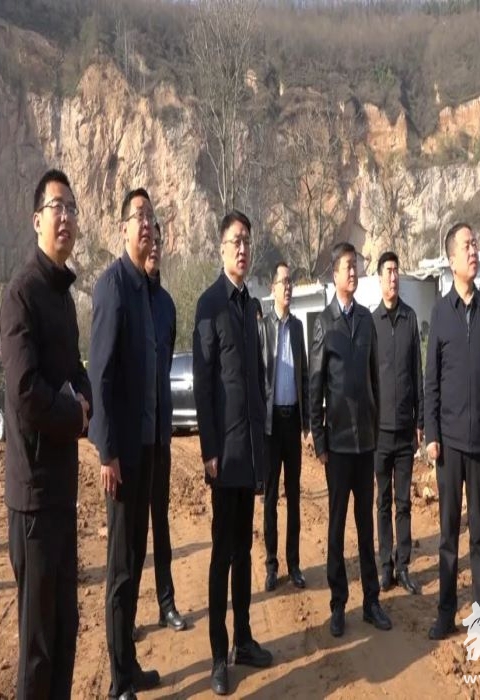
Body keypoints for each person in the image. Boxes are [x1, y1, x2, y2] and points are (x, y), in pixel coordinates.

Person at [0, 169, 92, 698]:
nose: (66, 217)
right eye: (57, 207)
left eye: (72, 208)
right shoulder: (22, 294)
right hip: (32, 497)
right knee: (37, 645)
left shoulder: (63, 298)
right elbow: (26, 392)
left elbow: (76, 371)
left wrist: (85, 400)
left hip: (62, 490)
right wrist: (75, 414)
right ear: (37, 220)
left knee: (65, 628)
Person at [193, 210, 272, 696]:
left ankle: (244, 639)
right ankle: (218, 655)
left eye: (247, 241)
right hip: (224, 453)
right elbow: (204, 385)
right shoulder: (210, 305)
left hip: (251, 451)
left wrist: (263, 446)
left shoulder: (252, 307)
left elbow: (257, 381)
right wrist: (208, 449)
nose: (242, 249)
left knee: (244, 551)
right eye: (234, 241)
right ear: (221, 248)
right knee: (222, 554)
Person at [88, 188, 161, 699]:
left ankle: (130, 665)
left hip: (149, 449)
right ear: (123, 229)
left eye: (151, 217)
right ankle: (118, 683)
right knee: (119, 568)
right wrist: (106, 451)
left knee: (136, 559)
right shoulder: (112, 287)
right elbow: (101, 376)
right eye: (138, 216)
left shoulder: (146, 292)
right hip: (122, 457)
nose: (147, 224)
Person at [424, 222, 480, 641]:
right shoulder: (441, 313)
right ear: (451, 259)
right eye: (467, 246)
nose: (474, 251)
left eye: (476, 244)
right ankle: (445, 613)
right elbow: (431, 382)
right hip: (449, 445)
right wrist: (431, 435)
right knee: (447, 535)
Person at [310, 241, 392, 638]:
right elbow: (315, 385)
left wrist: (376, 426)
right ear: (334, 274)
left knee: (365, 525)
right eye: (347, 266)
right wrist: (319, 439)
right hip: (339, 444)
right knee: (337, 525)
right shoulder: (324, 324)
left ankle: (371, 601)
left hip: (365, 443)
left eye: (356, 265)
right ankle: (338, 603)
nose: (354, 271)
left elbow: (374, 378)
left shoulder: (365, 320)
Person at [139, 223, 187, 632]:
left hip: (161, 433)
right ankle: (126, 617)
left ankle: (166, 603)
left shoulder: (168, 306)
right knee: (131, 534)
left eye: (159, 243)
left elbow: (166, 363)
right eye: (149, 242)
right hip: (132, 438)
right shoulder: (125, 298)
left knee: (161, 523)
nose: (154, 248)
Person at [372, 251, 423, 595]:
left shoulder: (409, 318)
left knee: (404, 501)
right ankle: (385, 568)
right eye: (388, 271)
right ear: (379, 278)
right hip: (379, 432)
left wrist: (421, 419)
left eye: (396, 271)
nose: (394, 277)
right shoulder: (371, 322)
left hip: (405, 430)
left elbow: (417, 372)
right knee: (383, 501)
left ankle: (403, 565)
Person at [259, 262, 309, 593]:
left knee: (293, 496)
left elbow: (303, 374)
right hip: (271, 424)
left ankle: (294, 564)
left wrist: (307, 422)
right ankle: (271, 565)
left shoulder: (298, 327)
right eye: (283, 282)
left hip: (293, 422)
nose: (288, 287)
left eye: (290, 282)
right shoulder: (263, 328)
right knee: (270, 498)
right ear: (272, 288)